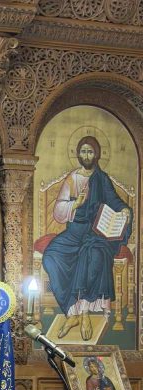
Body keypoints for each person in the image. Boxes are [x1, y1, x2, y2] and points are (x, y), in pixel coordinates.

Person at [42, 136, 132, 341]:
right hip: (74, 232)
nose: (86, 155)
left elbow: (114, 201)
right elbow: (58, 211)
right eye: (83, 151)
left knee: (92, 254)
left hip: (96, 232)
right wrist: (76, 204)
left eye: (90, 151)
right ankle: (71, 313)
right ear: (78, 154)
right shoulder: (72, 178)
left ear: (97, 154)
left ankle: (84, 315)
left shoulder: (102, 179)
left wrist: (125, 210)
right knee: (51, 256)